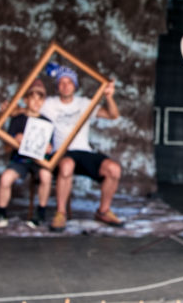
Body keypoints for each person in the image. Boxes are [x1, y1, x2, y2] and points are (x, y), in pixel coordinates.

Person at [40, 65, 124, 231]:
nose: (65, 86)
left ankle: (103, 211)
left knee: (114, 169)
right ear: (57, 86)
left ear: (75, 85)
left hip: (84, 152)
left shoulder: (85, 103)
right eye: (61, 82)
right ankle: (61, 213)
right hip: (61, 152)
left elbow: (113, 115)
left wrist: (109, 97)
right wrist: (12, 110)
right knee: (66, 166)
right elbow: (28, 108)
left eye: (69, 82)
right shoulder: (49, 104)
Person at [0, 78, 54, 230]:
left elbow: (50, 151)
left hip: (38, 162)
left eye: (40, 99)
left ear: (43, 102)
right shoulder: (17, 119)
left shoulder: (47, 123)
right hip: (20, 160)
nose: (36, 102)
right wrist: (14, 141)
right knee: (5, 178)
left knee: (46, 176)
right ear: (25, 100)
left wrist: (48, 149)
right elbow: (7, 149)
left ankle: (41, 213)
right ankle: (1, 213)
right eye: (32, 98)